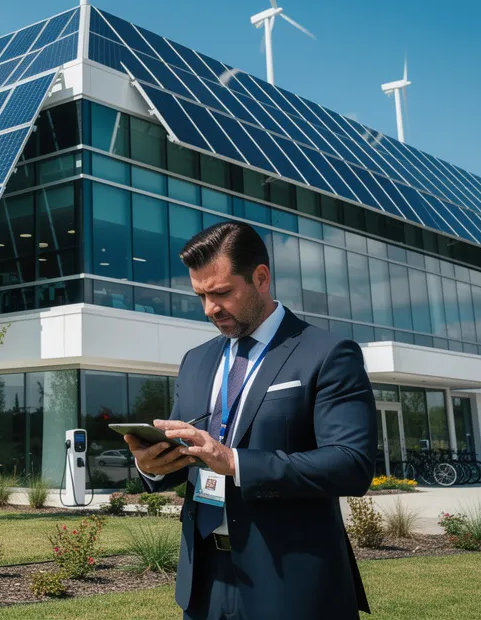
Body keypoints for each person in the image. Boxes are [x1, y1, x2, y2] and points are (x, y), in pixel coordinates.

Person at [124, 221, 376, 619]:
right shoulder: (196, 360)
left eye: (221, 293)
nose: (210, 309)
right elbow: (186, 451)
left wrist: (236, 462)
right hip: (204, 583)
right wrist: (152, 465)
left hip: (291, 586)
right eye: (201, 296)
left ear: (261, 278)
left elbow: (351, 464)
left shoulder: (327, 354)